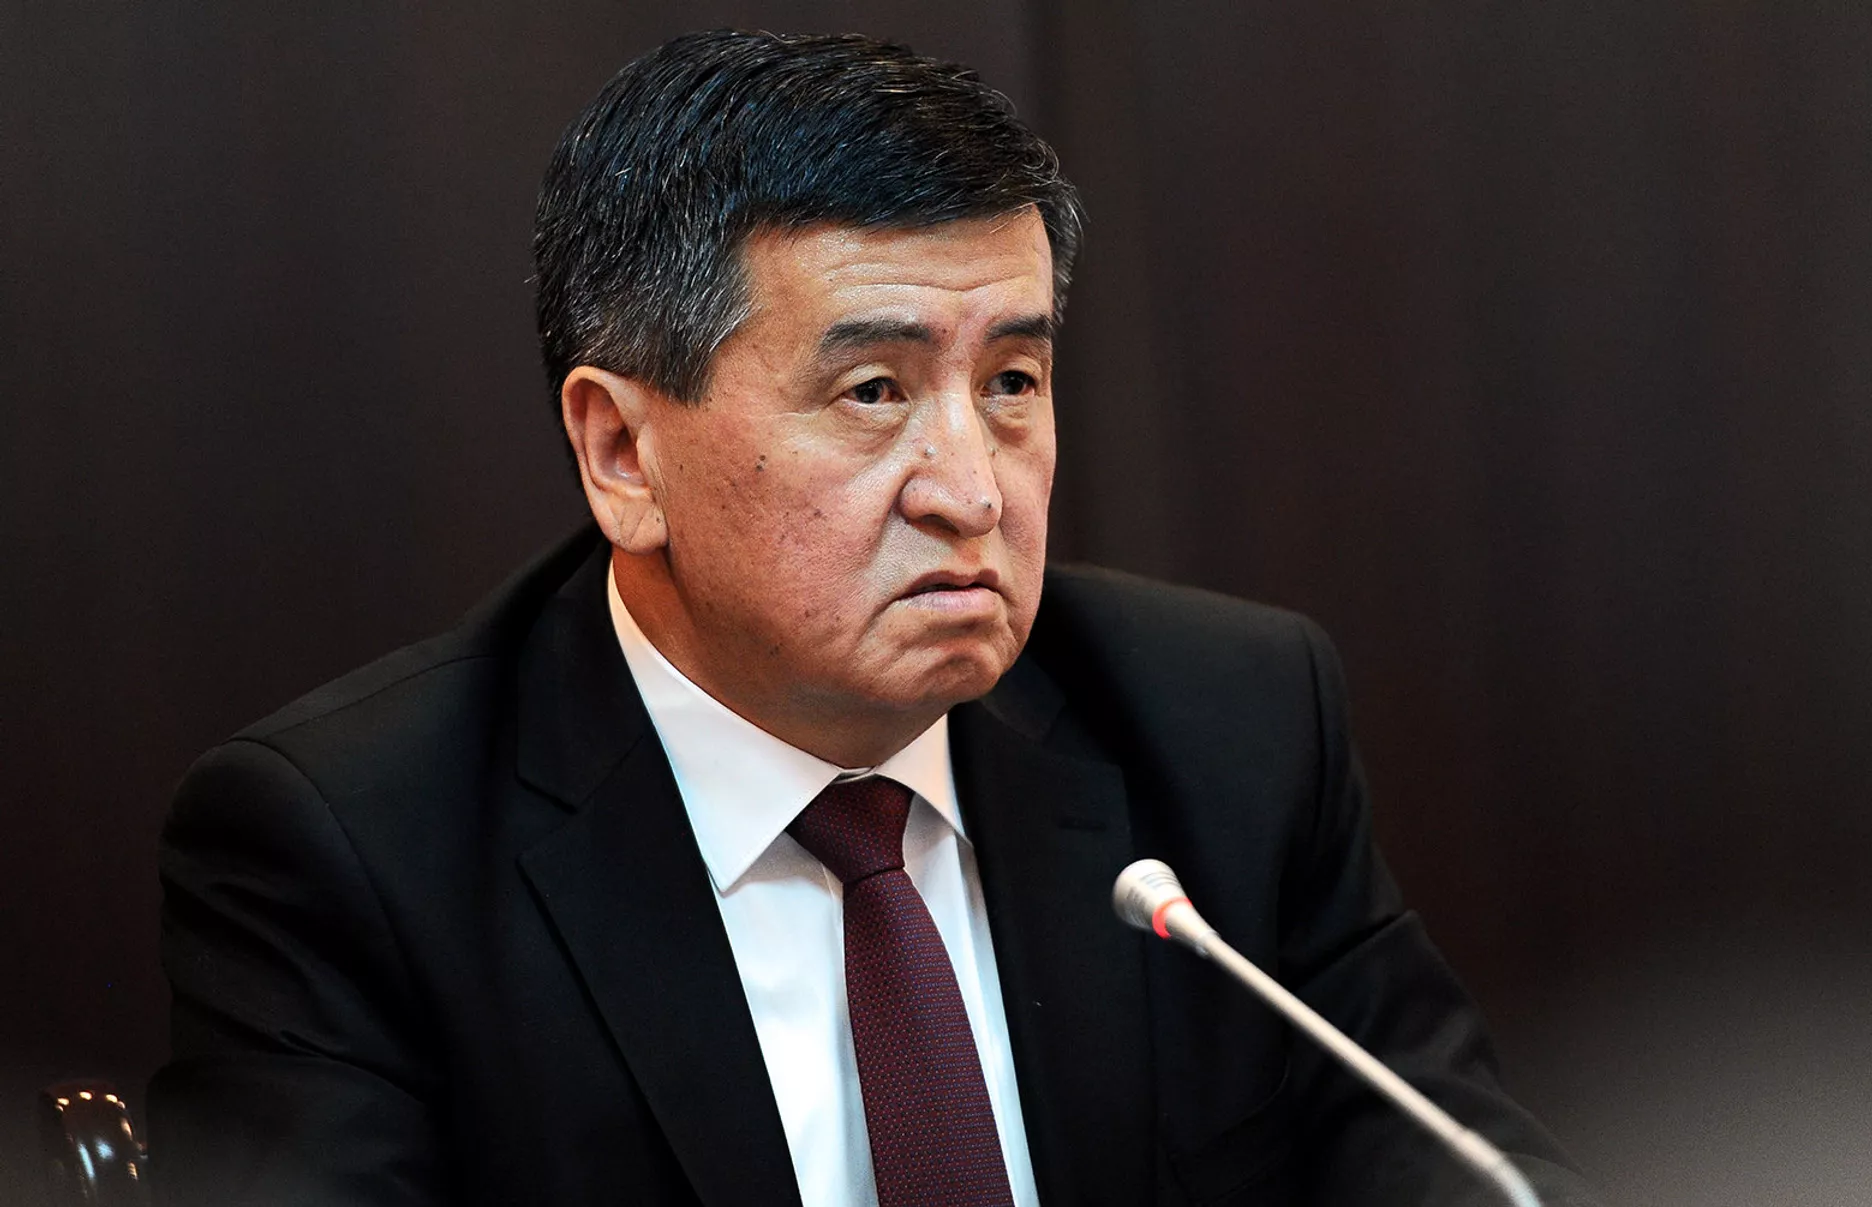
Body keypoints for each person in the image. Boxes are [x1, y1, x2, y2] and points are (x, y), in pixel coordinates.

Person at [149, 29, 1600, 1207]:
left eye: (1013, 382)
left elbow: (1458, 1166)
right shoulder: (352, 852)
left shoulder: (1232, 729)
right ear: (623, 453)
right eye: (873, 391)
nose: (972, 489)